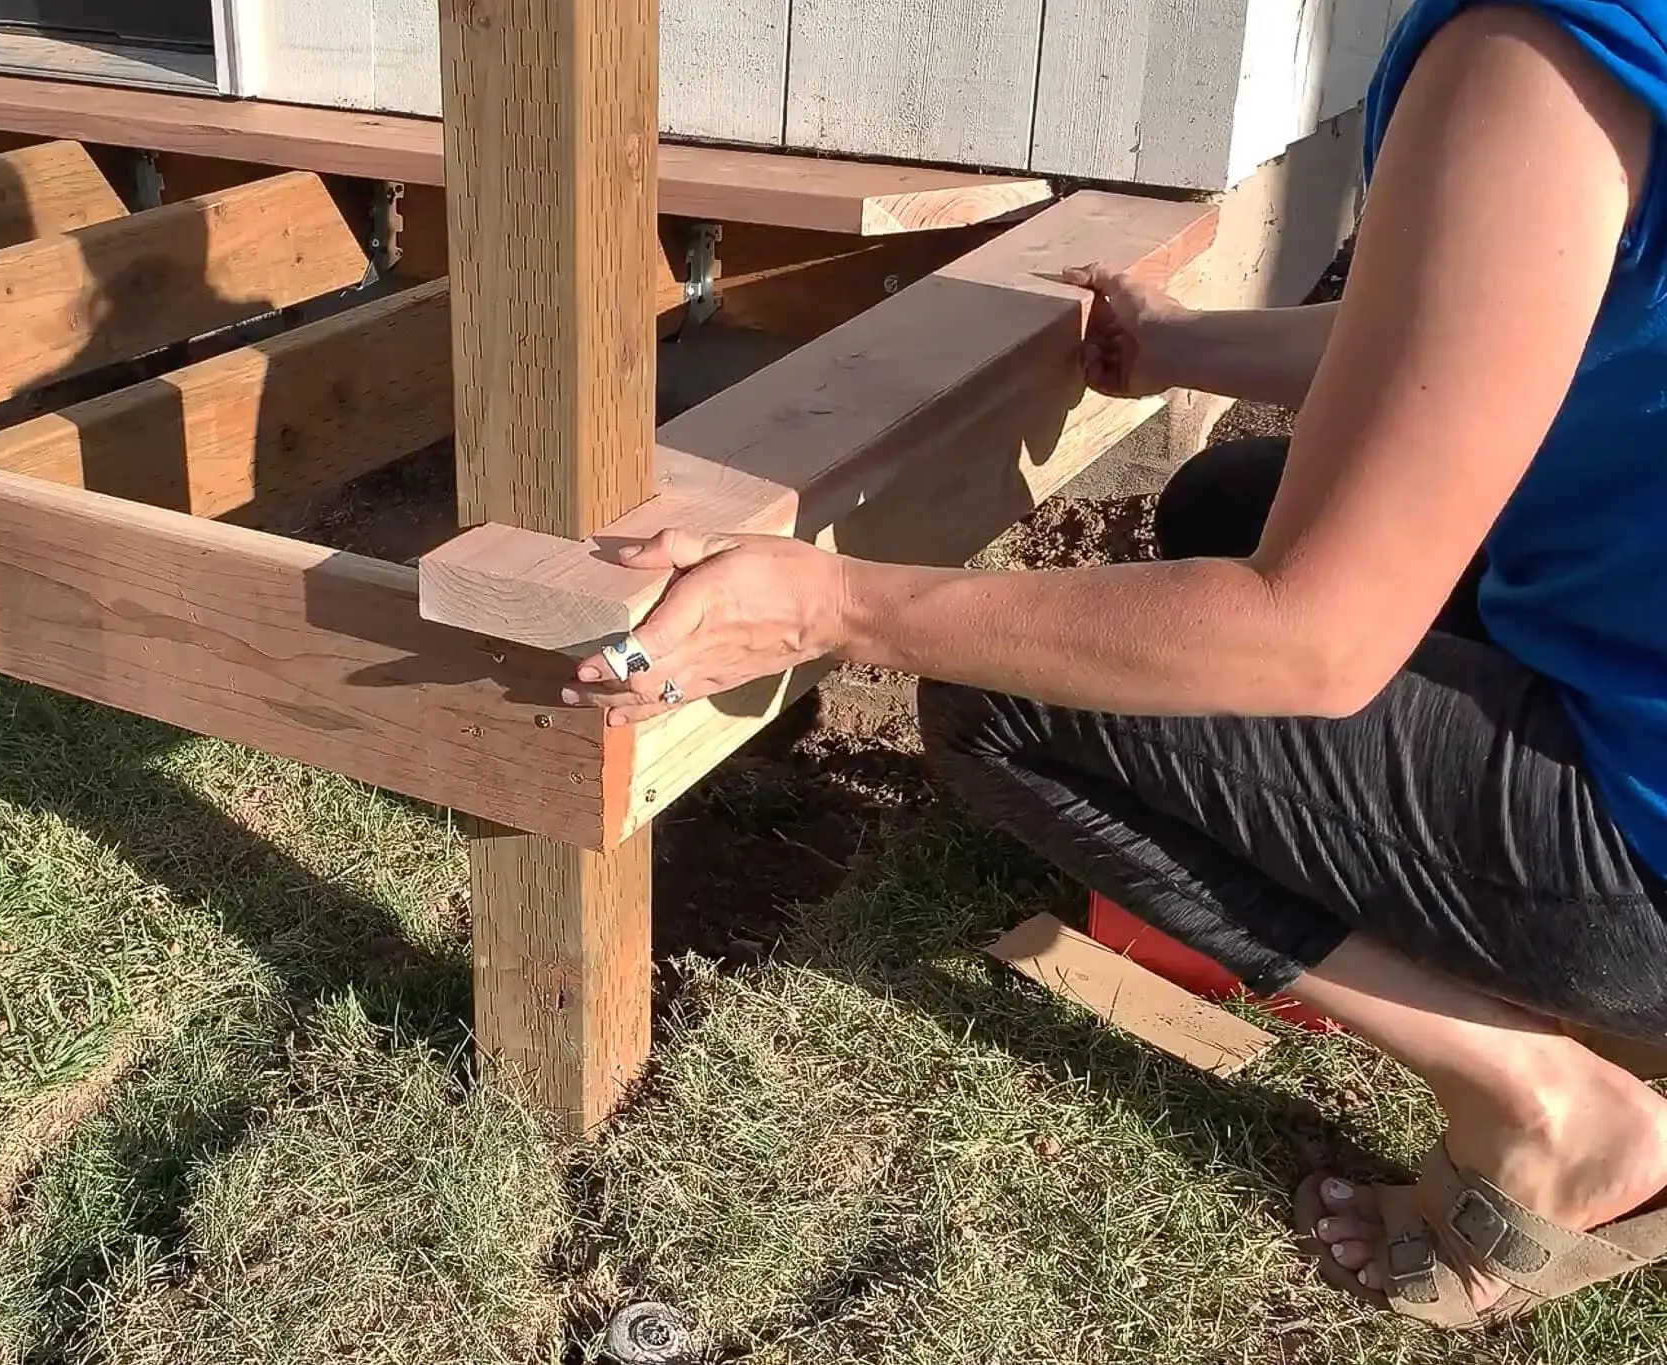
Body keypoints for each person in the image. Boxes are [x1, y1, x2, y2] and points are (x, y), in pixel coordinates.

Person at [557, 0, 1667, 1331]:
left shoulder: (1538, 53)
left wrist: (835, 606)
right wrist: (1192, 348)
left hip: (1639, 869)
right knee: (1226, 506)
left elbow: (1315, 641)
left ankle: (1547, 1104)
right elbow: (1508, 315)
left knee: (1004, 697)